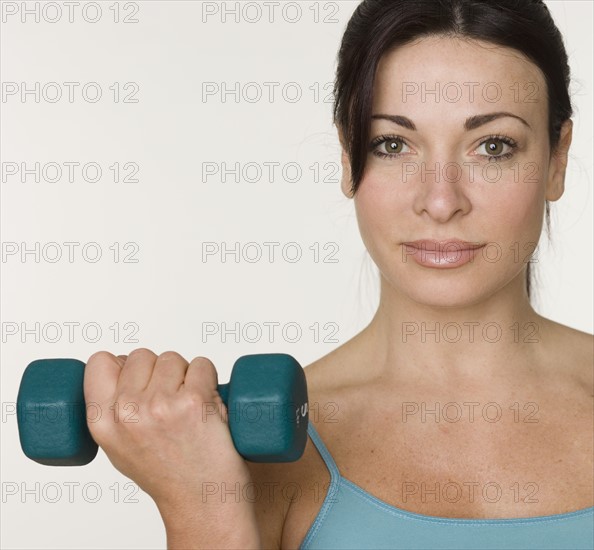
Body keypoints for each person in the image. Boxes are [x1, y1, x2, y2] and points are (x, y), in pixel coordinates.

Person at [83, 0, 594, 548]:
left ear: (556, 160)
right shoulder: (265, 452)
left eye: (493, 147)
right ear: (350, 160)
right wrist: (202, 508)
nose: (441, 201)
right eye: (392, 144)